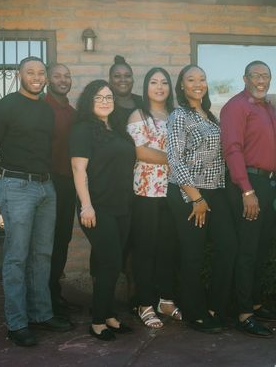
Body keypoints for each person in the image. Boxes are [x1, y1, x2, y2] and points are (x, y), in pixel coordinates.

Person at [0, 56, 73, 347]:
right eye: (30, 72)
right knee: (17, 258)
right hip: (15, 185)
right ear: (19, 75)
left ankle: (41, 313)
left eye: (41, 72)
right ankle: (17, 323)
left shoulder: (46, 110)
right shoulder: (5, 106)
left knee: (42, 255)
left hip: (46, 187)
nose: (36, 76)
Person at [166, 64, 237, 334]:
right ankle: (195, 313)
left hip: (215, 191)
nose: (198, 83)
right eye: (191, 79)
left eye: (202, 79)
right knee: (192, 254)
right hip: (189, 193)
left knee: (228, 246)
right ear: (182, 86)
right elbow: (174, 158)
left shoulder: (209, 116)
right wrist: (196, 198)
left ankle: (214, 307)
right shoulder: (179, 115)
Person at [220, 60, 276, 338]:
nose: (261, 80)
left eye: (266, 76)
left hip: (267, 183)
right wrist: (247, 190)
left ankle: (255, 303)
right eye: (256, 75)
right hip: (247, 183)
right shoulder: (235, 107)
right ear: (244, 78)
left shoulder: (268, 107)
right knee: (247, 251)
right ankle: (244, 314)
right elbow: (232, 150)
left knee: (260, 249)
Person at [70, 80, 136, 341]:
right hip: (97, 206)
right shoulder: (82, 129)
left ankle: (109, 315)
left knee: (108, 261)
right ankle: (98, 321)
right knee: (110, 263)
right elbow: (78, 170)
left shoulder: (118, 129)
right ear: (89, 100)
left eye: (109, 97)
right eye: (99, 97)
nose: (105, 101)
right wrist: (86, 205)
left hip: (122, 205)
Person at [127, 67, 181, 329]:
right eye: (153, 82)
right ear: (146, 87)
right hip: (146, 191)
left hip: (173, 191)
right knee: (146, 249)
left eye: (164, 82)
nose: (159, 87)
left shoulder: (176, 115)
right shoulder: (138, 114)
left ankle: (166, 300)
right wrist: (176, 162)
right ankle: (144, 303)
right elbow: (141, 152)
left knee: (169, 248)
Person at [44, 63, 80, 317]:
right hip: (45, 182)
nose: (63, 79)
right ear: (48, 79)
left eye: (66, 76)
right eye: (57, 75)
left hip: (67, 184)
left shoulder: (72, 112)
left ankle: (53, 292)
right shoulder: (40, 108)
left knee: (61, 240)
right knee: (44, 242)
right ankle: (42, 297)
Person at [109, 55, 142, 124]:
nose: (123, 80)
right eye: (117, 76)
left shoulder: (142, 102)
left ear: (133, 80)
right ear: (110, 80)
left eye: (127, 76)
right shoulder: (105, 104)